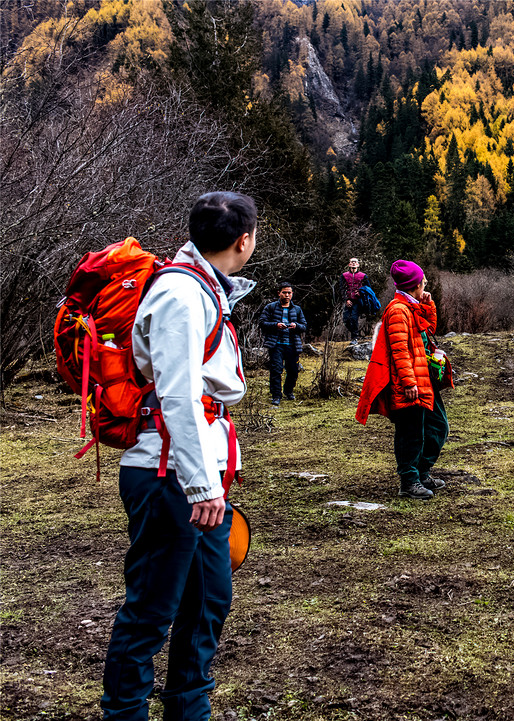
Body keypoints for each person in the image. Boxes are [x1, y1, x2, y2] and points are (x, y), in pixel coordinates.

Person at [104, 191, 257, 719]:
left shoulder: (206, 289)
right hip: (167, 473)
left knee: (209, 600)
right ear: (245, 240)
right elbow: (178, 395)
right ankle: (123, 713)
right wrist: (202, 486)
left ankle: (189, 710)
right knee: (151, 611)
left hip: (193, 471)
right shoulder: (180, 294)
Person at [355, 260, 451, 500]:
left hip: (423, 378)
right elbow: (399, 351)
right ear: (415, 284)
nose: (426, 284)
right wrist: (409, 384)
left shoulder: (410, 306)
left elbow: (427, 328)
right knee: (411, 433)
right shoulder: (398, 310)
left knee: (438, 426)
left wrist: (428, 305)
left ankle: (421, 472)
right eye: (424, 282)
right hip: (409, 382)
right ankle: (409, 481)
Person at [258, 282, 307, 405]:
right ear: (279, 293)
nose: (287, 295)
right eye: (284, 292)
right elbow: (262, 323)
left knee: (293, 371)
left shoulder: (297, 309)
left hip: (292, 344)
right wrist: (276, 325)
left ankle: (288, 391)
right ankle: (276, 396)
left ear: (292, 294)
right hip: (276, 345)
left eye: (289, 293)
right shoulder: (270, 307)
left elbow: (304, 326)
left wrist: (296, 326)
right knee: (276, 370)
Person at [340, 257, 371, 343]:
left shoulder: (363, 276)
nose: (353, 263)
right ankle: (356, 333)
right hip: (348, 300)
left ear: (358, 264)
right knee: (345, 320)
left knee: (354, 318)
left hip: (358, 301)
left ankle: (355, 338)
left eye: (355, 262)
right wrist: (346, 300)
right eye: (352, 262)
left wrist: (361, 293)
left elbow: (368, 289)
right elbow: (341, 289)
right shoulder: (344, 276)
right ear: (349, 264)